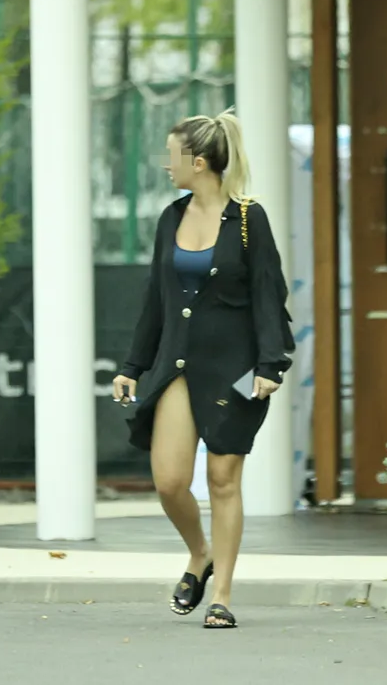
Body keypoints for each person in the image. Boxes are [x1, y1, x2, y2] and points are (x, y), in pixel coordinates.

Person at [112, 107, 294, 629]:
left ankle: (223, 597)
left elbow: (268, 293)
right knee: (170, 480)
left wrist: (271, 363)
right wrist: (134, 365)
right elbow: (156, 297)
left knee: (222, 479)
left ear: (198, 162)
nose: (165, 165)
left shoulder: (248, 219)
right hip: (178, 364)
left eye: (171, 156)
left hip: (236, 369)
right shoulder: (171, 216)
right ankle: (201, 553)